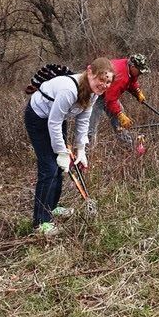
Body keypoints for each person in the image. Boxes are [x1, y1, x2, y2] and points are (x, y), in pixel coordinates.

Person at [25, 57, 114, 237]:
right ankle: (40, 222)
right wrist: (60, 152)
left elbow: (83, 120)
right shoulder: (69, 89)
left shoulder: (94, 92)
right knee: (49, 168)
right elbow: (53, 122)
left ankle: (52, 207)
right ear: (90, 72)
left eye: (108, 82)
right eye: (101, 79)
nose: (104, 85)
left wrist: (81, 150)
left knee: (60, 167)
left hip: (56, 119)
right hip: (39, 119)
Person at [87, 54, 150, 144]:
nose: (141, 73)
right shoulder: (120, 76)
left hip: (106, 90)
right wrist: (119, 114)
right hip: (95, 91)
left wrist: (137, 91)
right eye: (140, 71)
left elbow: (132, 80)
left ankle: (128, 144)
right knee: (92, 124)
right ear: (133, 66)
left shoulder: (129, 67)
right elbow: (110, 100)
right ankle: (88, 150)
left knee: (120, 118)